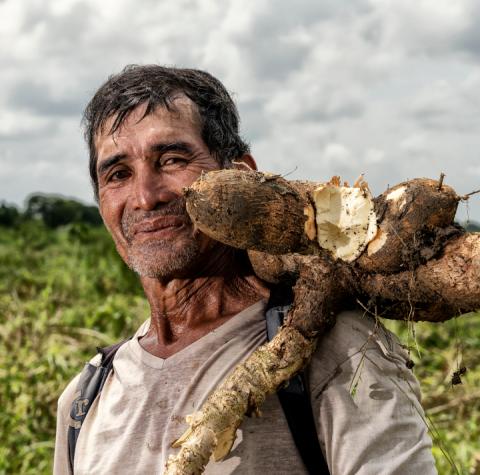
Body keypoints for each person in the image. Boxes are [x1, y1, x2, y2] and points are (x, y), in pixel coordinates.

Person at [54, 65, 437, 474]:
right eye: (118, 174)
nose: (146, 198)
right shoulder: (86, 399)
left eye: (171, 160)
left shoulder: (338, 349)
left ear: (242, 178)